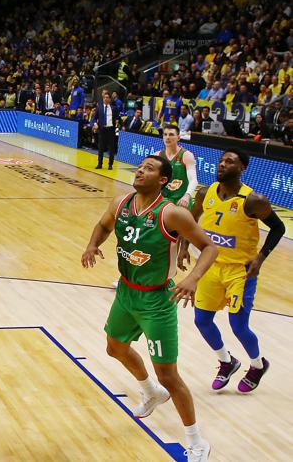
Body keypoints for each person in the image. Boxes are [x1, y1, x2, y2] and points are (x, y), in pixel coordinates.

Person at [81, 155, 216, 462]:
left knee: (169, 375)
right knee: (115, 348)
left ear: (163, 180)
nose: (141, 170)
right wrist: (93, 245)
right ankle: (150, 392)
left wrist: (194, 278)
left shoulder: (172, 214)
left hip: (158, 300)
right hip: (127, 293)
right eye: (140, 166)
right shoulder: (120, 203)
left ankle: (196, 441)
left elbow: (209, 247)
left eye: (150, 168)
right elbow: (102, 226)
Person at [179, 150, 285, 392]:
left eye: (230, 162)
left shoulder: (253, 200)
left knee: (238, 325)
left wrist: (261, 257)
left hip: (240, 271)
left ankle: (258, 365)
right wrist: (184, 246)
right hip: (210, 267)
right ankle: (227, 362)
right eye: (221, 160)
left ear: (242, 168)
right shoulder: (206, 193)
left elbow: (278, 228)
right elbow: (190, 221)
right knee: (201, 320)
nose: (222, 164)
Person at [160, 124, 197, 208]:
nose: (167, 137)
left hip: (181, 200)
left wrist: (187, 195)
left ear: (178, 138)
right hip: (163, 200)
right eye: (165, 134)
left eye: (171, 134)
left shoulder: (186, 155)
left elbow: (193, 180)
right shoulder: (158, 155)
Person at [90, 92, 121, 169]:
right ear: (103, 99)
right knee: (100, 147)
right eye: (104, 97)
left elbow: (118, 118)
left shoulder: (114, 108)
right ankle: (100, 164)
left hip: (111, 130)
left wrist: (122, 125)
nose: (106, 99)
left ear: (110, 99)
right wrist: (95, 124)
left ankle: (110, 164)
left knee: (111, 148)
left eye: (107, 97)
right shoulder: (99, 108)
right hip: (102, 129)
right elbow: (94, 118)